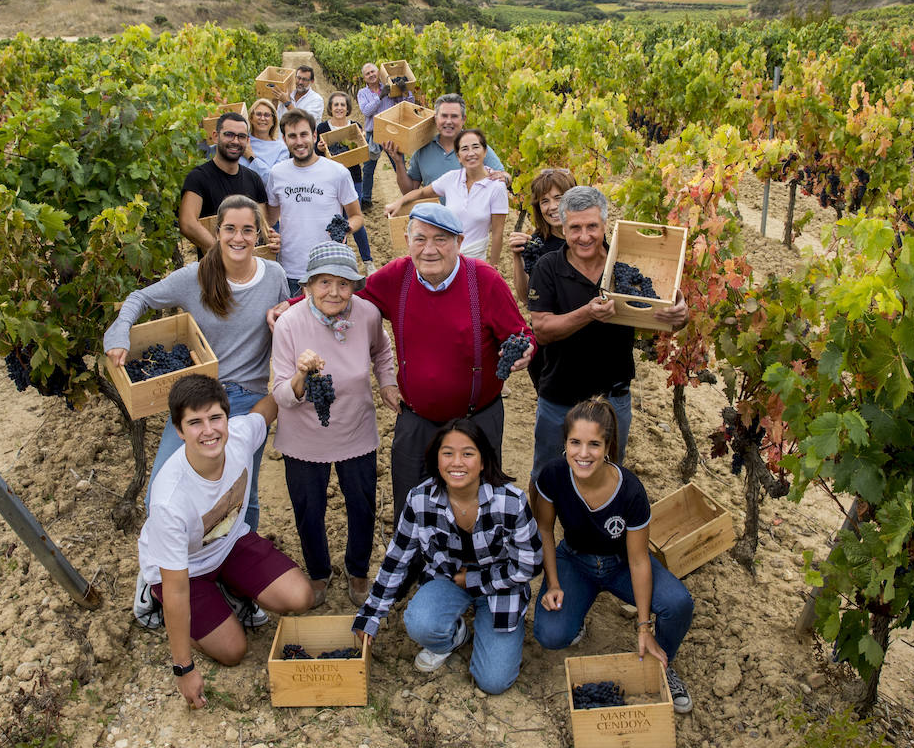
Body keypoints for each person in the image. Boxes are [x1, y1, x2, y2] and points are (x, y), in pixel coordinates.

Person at [267, 203, 535, 522]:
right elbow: (346, 294)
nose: (430, 249)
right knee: (411, 507)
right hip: (416, 419)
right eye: (420, 239)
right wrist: (294, 303)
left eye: (441, 239)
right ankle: (412, 568)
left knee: (477, 507)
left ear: (460, 242)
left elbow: (520, 334)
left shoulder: (485, 281)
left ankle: (471, 567)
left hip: (477, 419)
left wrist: (523, 349)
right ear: (407, 241)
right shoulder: (398, 276)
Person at [105, 195, 289, 532]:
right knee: (161, 493)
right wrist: (119, 334)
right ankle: (178, 565)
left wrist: (286, 313)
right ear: (217, 232)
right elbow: (139, 297)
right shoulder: (196, 276)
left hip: (249, 399)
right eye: (230, 229)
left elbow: (289, 326)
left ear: (259, 234)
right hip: (199, 399)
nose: (239, 238)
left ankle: (238, 567)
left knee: (242, 495)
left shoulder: (275, 275)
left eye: (248, 230)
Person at [140, 375, 315, 709]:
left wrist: (297, 375)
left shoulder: (238, 436)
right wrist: (183, 667)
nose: (208, 431)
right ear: (179, 431)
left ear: (227, 416)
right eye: (194, 422)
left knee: (300, 596)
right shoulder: (169, 500)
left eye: (215, 418)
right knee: (234, 651)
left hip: (228, 545)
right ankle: (151, 594)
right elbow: (176, 587)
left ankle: (228, 588)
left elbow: (268, 407)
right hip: (182, 573)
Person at [352, 419, 541, 694]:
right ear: (436, 459)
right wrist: (371, 614)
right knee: (420, 623)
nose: (457, 462)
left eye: (468, 453)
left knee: (494, 681)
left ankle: (493, 631)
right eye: (448, 453)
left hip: (502, 586)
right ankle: (455, 636)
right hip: (448, 579)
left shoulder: (510, 502)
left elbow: (529, 564)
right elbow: (397, 559)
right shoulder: (420, 499)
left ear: (484, 461)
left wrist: (475, 580)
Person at [530, 397, 695, 713]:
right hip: (575, 561)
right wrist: (552, 583)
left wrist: (644, 625)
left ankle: (663, 663)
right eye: (575, 442)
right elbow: (546, 531)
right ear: (565, 443)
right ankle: (575, 616)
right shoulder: (552, 476)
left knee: (678, 604)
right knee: (550, 634)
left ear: (607, 447)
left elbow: (638, 560)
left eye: (594, 444)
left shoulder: (630, 491)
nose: (583, 453)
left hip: (620, 565)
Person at [527, 185, 688, 479]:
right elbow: (542, 330)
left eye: (592, 226)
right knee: (547, 475)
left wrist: (680, 316)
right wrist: (588, 313)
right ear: (563, 227)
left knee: (606, 476)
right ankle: (542, 527)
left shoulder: (625, 265)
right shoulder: (548, 267)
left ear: (604, 224)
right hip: (559, 397)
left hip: (613, 400)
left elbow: (662, 316)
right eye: (575, 228)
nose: (584, 236)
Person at [271, 242, 399, 608]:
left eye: (343, 283)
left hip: (356, 429)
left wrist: (386, 381)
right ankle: (318, 572)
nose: (334, 292)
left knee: (362, 504)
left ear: (354, 287)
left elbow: (381, 351)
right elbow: (281, 394)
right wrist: (300, 374)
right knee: (309, 509)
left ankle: (358, 571)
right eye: (324, 282)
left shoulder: (368, 314)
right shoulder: (289, 325)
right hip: (303, 438)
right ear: (307, 286)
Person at [267, 108, 365, 296]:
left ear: (314, 135)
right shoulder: (277, 173)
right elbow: (270, 218)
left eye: (304, 134)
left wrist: (345, 228)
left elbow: (356, 216)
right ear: (284, 139)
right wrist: (268, 234)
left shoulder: (337, 172)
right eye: (292, 136)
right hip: (291, 269)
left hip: (329, 269)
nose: (299, 141)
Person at [385, 128, 507, 268]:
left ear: (485, 152)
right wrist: (399, 202)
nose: (471, 153)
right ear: (458, 156)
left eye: (476, 147)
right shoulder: (451, 178)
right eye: (464, 149)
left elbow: (498, 233)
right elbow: (421, 193)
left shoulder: (496, 187)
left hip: (475, 262)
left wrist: (493, 267)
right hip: (446, 259)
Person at [178, 111, 279, 256]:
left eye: (241, 136)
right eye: (229, 134)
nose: (235, 141)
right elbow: (187, 223)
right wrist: (222, 252)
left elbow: (262, 226)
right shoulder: (198, 178)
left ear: (247, 141)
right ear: (215, 136)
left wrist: (272, 240)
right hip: (215, 270)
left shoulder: (253, 178)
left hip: (250, 270)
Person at [382, 94, 506, 195]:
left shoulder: (475, 147)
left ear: (464, 119)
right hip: (435, 223)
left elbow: (504, 176)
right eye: (444, 116)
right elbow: (409, 191)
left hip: (469, 224)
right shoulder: (423, 148)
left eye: (454, 116)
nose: (448, 121)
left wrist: (505, 178)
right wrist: (398, 162)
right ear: (436, 118)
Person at [315, 91, 375, 272]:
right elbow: (318, 155)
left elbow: (363, 154)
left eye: (343, 105)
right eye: (336, 105)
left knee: (354, 220)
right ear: (330, 108)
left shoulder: (355, 126)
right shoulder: (322, 128)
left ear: (347, 108)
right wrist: (318, 149)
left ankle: (367, 261)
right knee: (337, 220)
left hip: (353, 177)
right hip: (329, 180)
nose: (339, 108)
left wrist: (361, 142)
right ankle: (342, 260)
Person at [506, 167, 576, 304]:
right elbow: (526, 298)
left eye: (558, 198)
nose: (553, 206)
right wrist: (517, 257)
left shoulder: (589, 236)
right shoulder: (537, 245)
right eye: (545, 201)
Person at [356, 62, 414, 211]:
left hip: (391, 132)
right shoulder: (363, 93)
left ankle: (408, 197)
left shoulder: (390, 87)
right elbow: (366, 111)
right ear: (364, 78)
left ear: (378, 72)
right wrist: (380, 97)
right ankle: (366, 199)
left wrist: (405, 91)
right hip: (373, 134)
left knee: (399, 165)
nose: (371, 75)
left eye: (373, 71)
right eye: (367, 73)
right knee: (369, 169)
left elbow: (407, 105)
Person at [246, 98, 288, 186]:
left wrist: (251, 158)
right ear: (251, 118)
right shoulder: (242, 140)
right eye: (258, 114)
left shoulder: (281, 149)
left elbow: (274, 181)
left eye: (267, 115)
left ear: (273, 120)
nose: (262, 118)